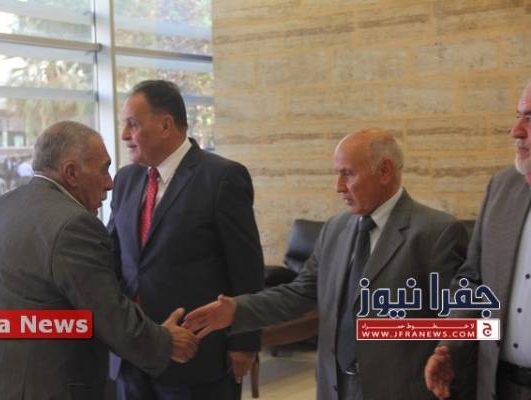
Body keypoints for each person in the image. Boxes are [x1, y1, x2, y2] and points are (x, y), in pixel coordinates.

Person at [184, 128, 470, 400]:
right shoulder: (335, 229)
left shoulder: (437, 232)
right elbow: (301, 293)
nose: (338, 187)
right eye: (337, 174)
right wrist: (237, 309)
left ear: (385, 171)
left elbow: (458, 320)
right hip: (334, 387)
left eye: (348, 174)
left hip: (399, 390)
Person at [0, 121, 199, 400]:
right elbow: (109, 316)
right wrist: (166, 342)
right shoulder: (73, 225)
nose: (110, 183)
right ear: (71, 173)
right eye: (103, 169)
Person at [108, 80, 264, 400]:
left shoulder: (221, 177)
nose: (124, 135)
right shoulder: (126, 179)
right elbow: (114, 254)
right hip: (133, 355)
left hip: (198, 357)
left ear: (165, 125)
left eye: (133, 124)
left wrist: (245, 343)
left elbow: (246, 268)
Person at [425, 81, 531, 400]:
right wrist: (449, 345)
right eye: (519, 116)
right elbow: (472, 281)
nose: (516, 131)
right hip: (500, 385)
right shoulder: (501, 188)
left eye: (530, 118)